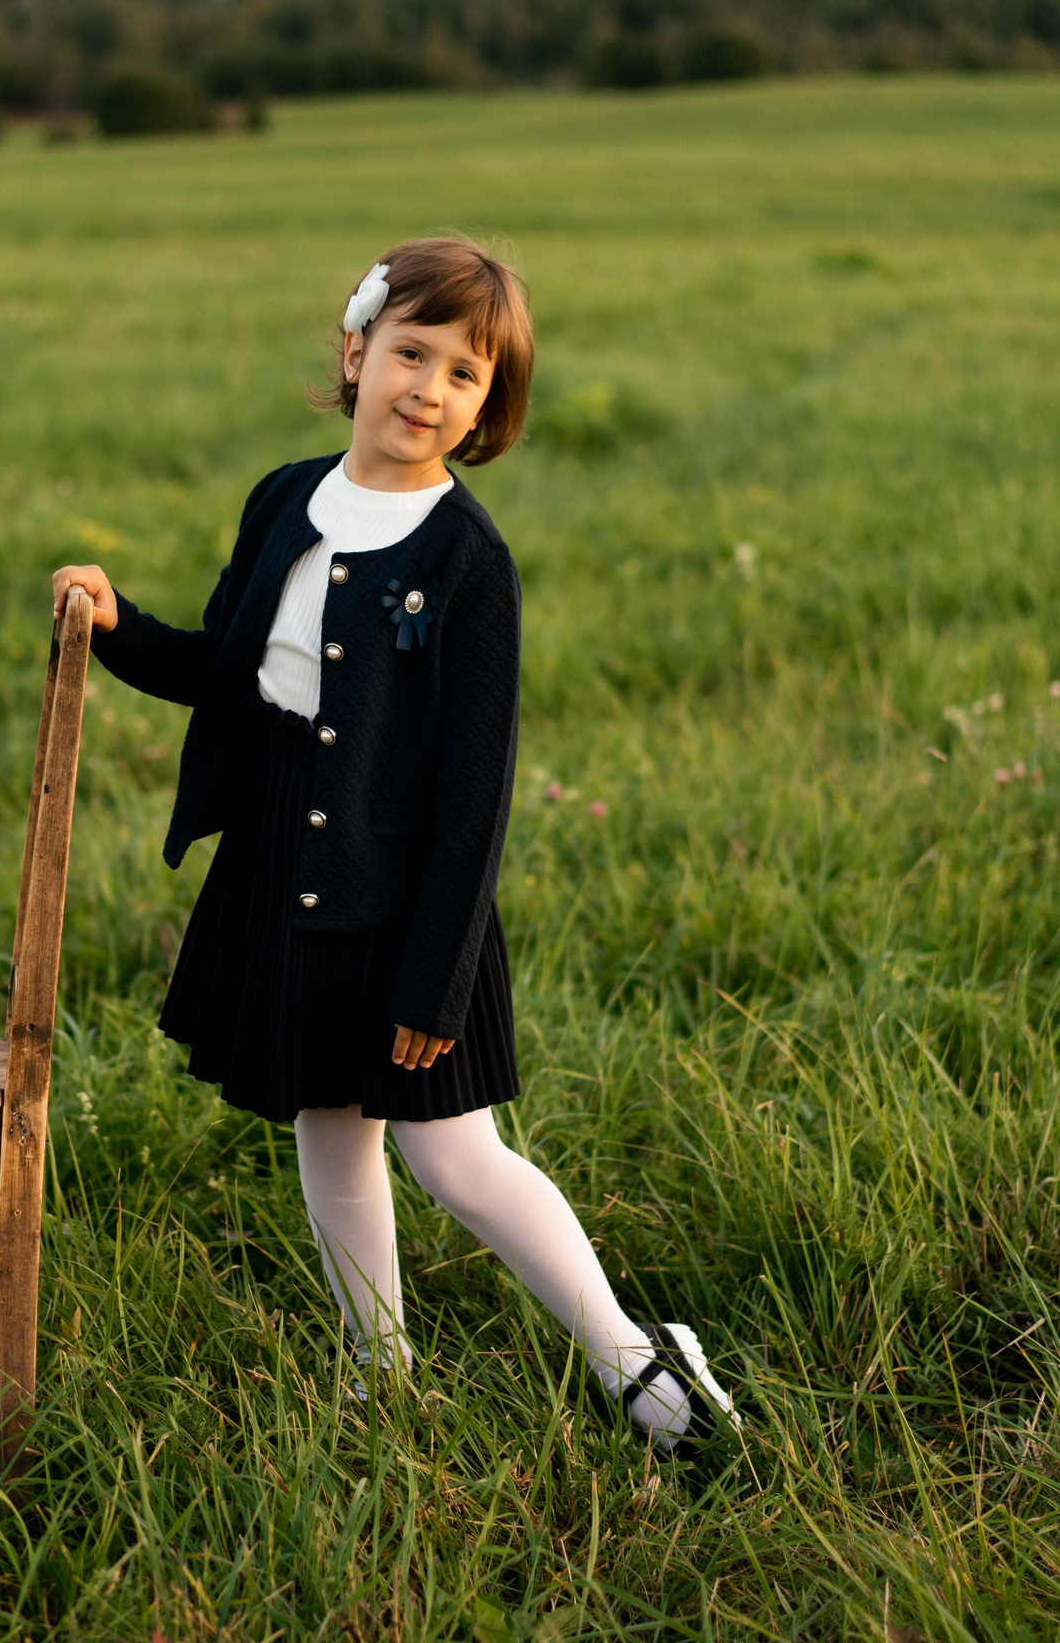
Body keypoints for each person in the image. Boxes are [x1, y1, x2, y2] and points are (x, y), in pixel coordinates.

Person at [50, 236, 738, 1455]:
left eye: (465, 373)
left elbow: (478, 794)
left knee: (454, 1155)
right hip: (277, 875)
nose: (428, 387)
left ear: (488, 408)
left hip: (404, 899)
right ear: (356, 350)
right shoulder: (282, 497)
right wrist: (117, 627)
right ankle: (381, 1371)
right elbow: (228, 667)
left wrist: (435, 975)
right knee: (328, 1125)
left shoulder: (469, 562)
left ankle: (634, 1355)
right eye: (411, 353)